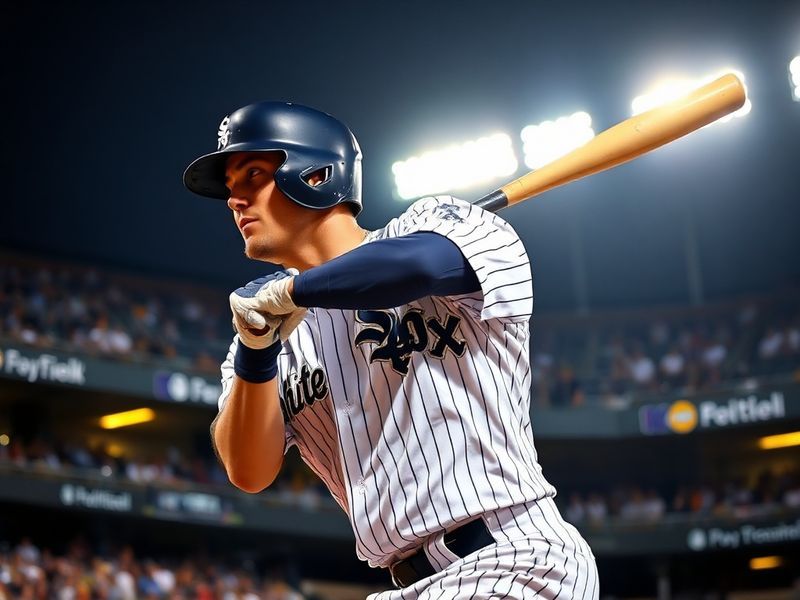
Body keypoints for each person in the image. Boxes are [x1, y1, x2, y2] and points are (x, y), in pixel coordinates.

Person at [184, 101, 598, 599]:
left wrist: (298, 292)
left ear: (315, 175)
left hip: (511, 559)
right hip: (406, 584)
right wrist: (256, 349)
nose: (235, 200)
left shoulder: (436, 225)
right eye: (232, 187)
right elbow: (248, 470)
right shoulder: (269, 332)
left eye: (253, 174)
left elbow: (419, 267)